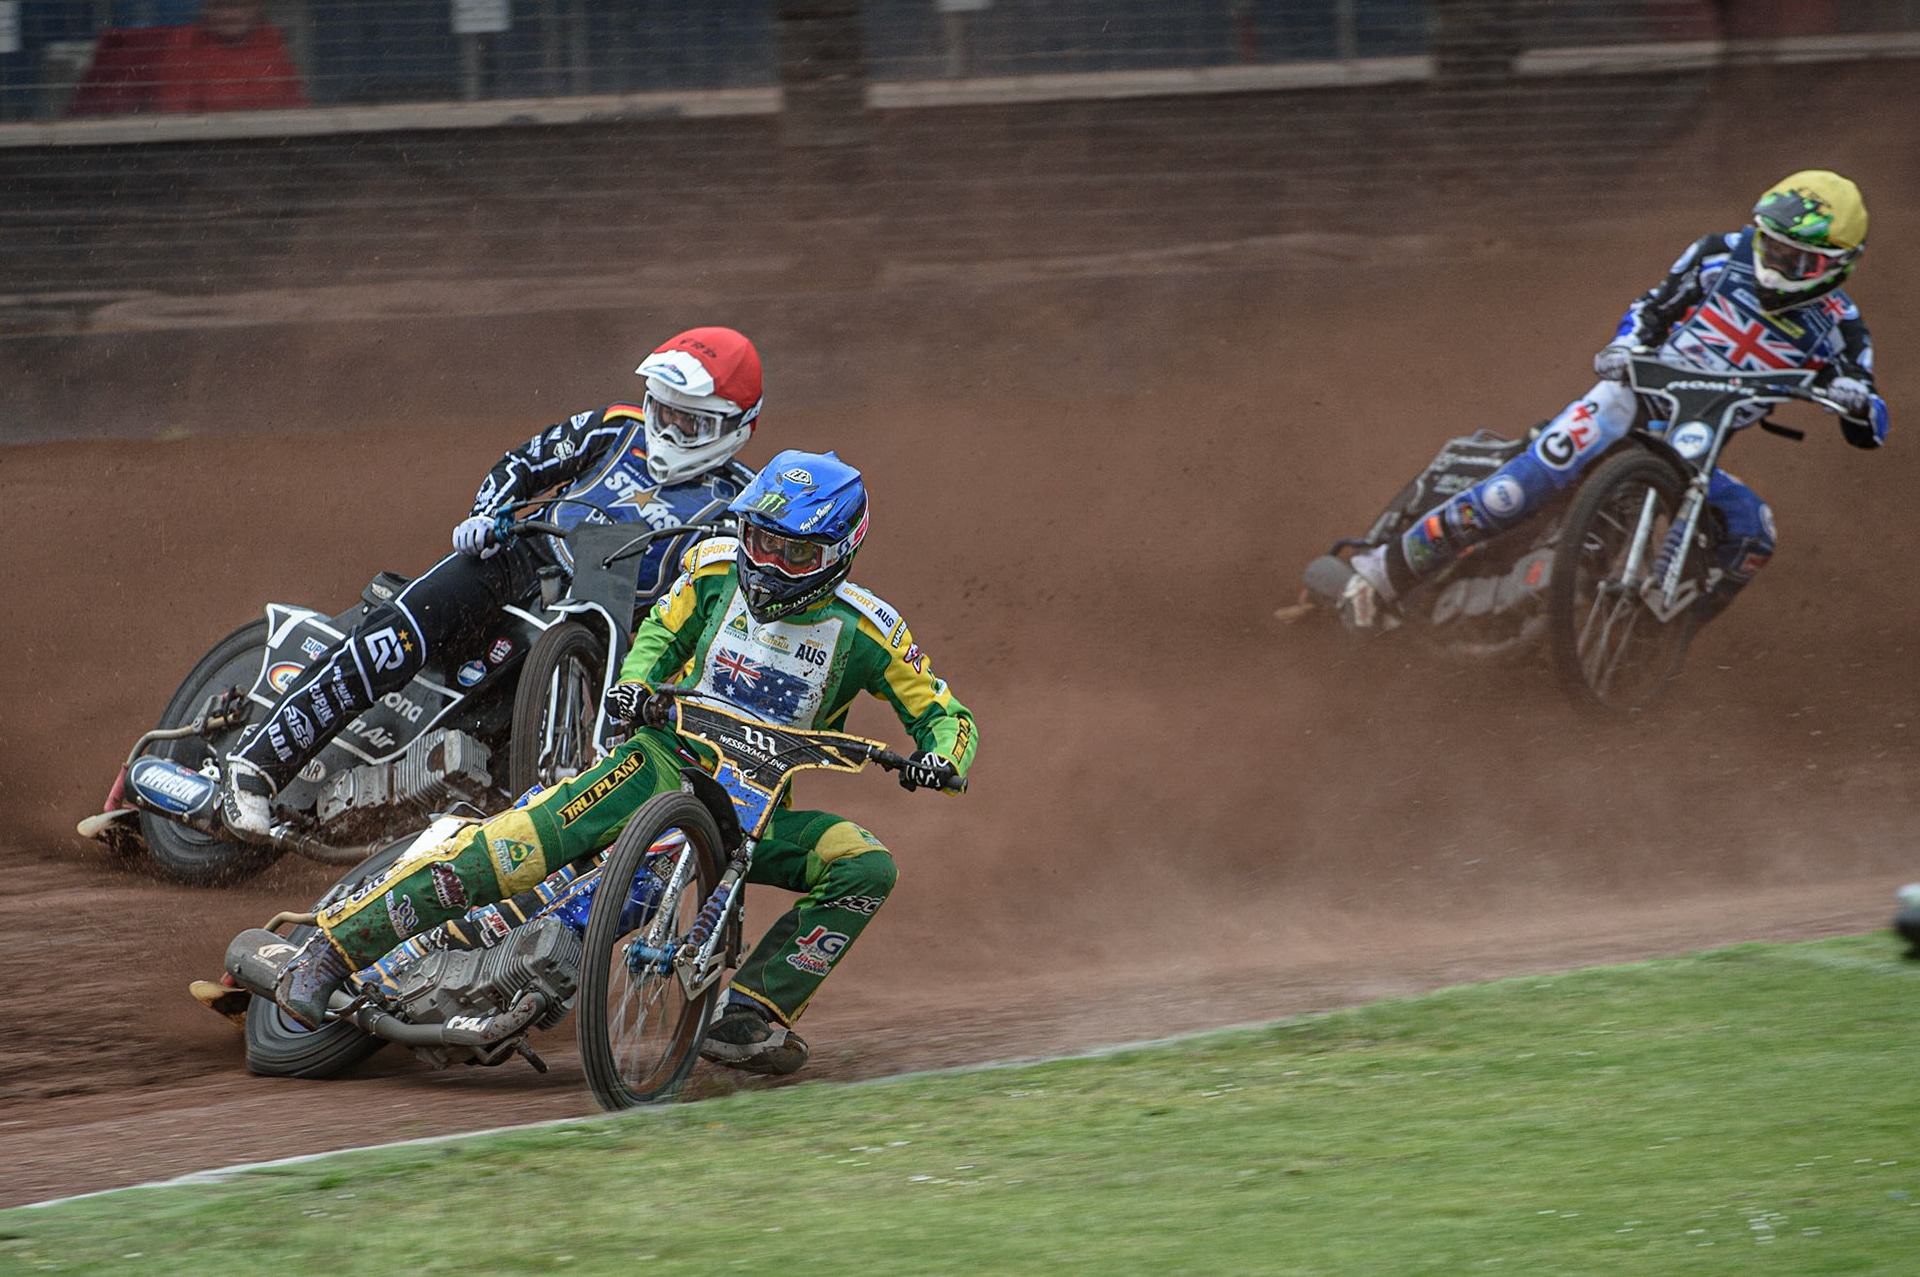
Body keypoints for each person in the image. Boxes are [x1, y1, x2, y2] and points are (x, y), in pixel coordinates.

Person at [271, 450, 977, 1077]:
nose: (768, 563)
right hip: (658, 764)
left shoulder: (870, 631)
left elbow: (949, 716)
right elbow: (660, 633)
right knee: (517, 848)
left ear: (839, 553)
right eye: (760, 540)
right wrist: (636, 684)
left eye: (794, 553)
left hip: (756, 813)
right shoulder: (713, 569)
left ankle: (748, 1012)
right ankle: (332, 950)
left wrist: (940, 758)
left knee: (865, 866)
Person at [219, 326, 766, 838]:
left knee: (632, 727)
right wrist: (487, 514)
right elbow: (522, 463)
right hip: (526, 556)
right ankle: (256, 767)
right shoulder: (615, 425)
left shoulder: (741, 505)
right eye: (664, 412)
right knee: (394, 636)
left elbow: (722, 604)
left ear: (736, 429)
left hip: (617, 624)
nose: (668, 431)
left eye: (691, 423)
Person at [1340, 170, 1887, 633]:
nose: (1778, 263)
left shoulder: (1841, 327)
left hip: (1693, 440)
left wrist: (1857, 403)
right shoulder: (1720, 255)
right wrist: (1626, 344)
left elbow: (1871, 416)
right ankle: (1379, 575)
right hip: (1630, 397)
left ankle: (1652, 639)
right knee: (1512, 492)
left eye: (1799, 260)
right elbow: (1653, 307)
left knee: (1754, 531)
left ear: (1840, 265)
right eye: (1773, 246)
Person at [68, 0, 307, 118]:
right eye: (220, 6)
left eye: (239, 5)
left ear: (258, 7)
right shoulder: (186, 46)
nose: (229, 14)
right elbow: (175, 116)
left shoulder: (272, 46)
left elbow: (296, 111)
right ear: (206, 8)